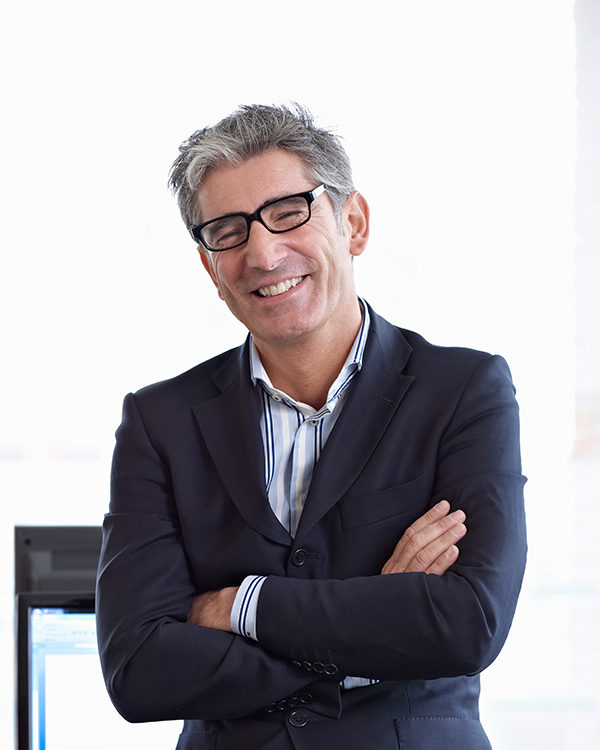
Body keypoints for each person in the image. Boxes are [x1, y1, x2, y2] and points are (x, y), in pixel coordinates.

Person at [96, 103, 527, 750]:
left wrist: (240, 607)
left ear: (353, 223)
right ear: (210, 268)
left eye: (288, 212)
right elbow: (139, 671)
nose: (263, 253)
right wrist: (374, 629)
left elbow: (468, 625)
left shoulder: (464, 391)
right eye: (228, 231)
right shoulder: (159, 421)